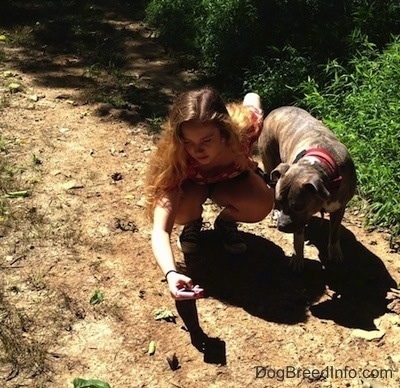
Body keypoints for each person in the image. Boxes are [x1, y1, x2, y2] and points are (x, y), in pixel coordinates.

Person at [145, 86, 274, 300]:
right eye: (188, 141)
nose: (197, 150)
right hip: (193, 188)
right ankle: (192, 223)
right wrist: (171, 273)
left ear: (225, 132)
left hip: (232, 184)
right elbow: (160, 230)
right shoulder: (176, 158)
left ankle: (226, 222)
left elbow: (253, 99)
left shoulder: (245, 130)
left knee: (261, 202)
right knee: (180, 211)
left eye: (207, 140)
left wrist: (252, 95)